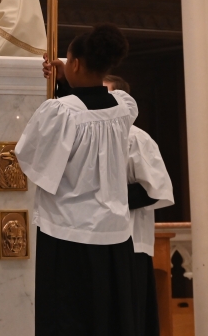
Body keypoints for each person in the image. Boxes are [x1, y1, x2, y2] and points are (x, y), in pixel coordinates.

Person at [14, 25, 139, 336]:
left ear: (76, 64)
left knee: (69, 320)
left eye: (67, 59)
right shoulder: (123, 106)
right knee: (107, 320)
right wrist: (64, 80)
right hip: (115, 236)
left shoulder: (60, 112)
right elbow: (91, 107)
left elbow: (33, 160)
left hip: (68, 235)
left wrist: (61, 90)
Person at [103, 75, 174, 336]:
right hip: (98, 239)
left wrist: (105, 198)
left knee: (129, 318)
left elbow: (153, 190)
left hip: (129, 242)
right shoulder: (90, 133)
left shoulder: (136, 138)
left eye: (104, 95)